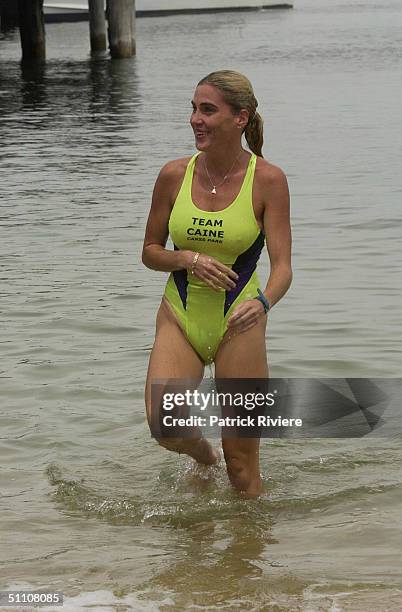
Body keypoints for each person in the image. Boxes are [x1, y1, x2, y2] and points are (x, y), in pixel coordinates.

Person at [142, 70, 292, 498]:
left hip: (240, 321)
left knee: (242, 469)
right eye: (193, 108)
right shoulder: (173, 175)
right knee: (166, 427)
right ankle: (204, 457)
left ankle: (246, 559)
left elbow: (283, 267)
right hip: (180, 315)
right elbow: (150, 250)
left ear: (240, 117)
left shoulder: (268, 180)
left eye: (207, 110)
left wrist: (263, 303)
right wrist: (187, 259)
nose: (195, 119)